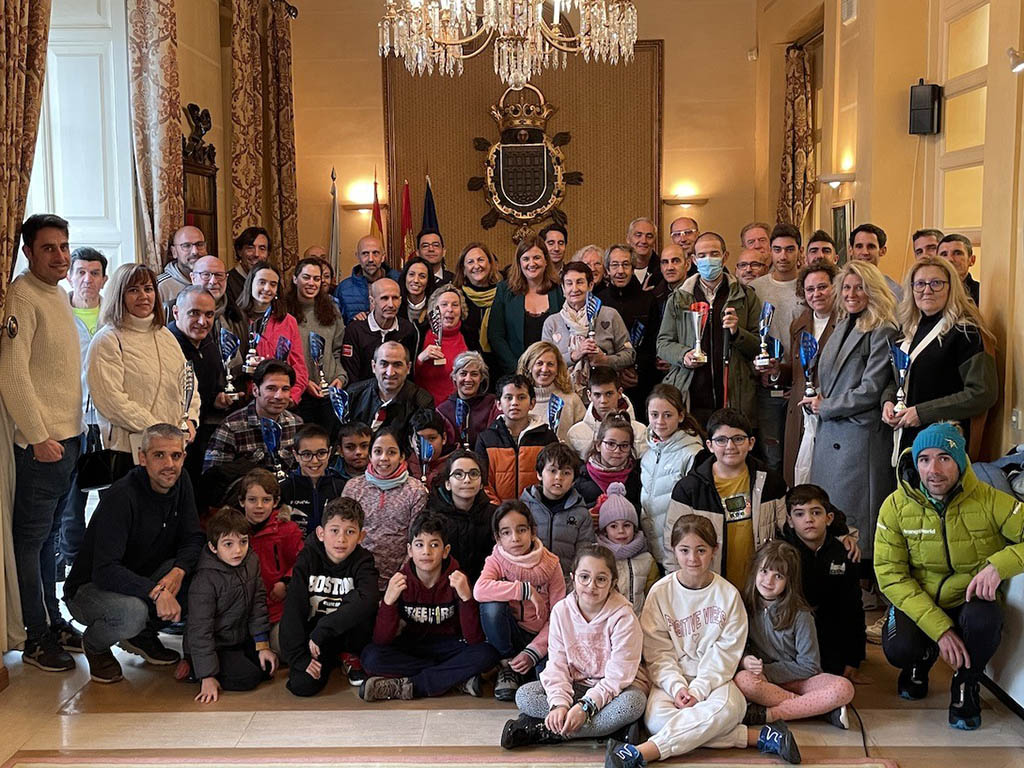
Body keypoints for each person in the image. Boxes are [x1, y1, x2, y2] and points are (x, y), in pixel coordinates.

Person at [605, 514, 800, 768]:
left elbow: (726, 654)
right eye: (684, 550)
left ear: (714, 551)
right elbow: (657, 652)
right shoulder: (660, 593)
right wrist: (677, 687)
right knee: (657, 721)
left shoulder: (728, 595)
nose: (693, 559)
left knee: (728, 711)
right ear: (674, 551)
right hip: (670, 681)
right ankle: (758, 736)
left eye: (701, 550)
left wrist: (698, 690)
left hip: (716, 682)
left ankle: (643, 753)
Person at [874, 423, 1024, 730]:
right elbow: (890, 574)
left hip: (969, 598)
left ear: (960, 460)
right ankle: (921, 659)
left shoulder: (990, 499)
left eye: (944, 458)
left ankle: (966, 682)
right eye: (924, 459)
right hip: (920, 598)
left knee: (986, 621)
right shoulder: (895, 507)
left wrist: (1000, 565)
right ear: (915, 463)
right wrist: (940, 631)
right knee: (898, 648)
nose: (934, 469)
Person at [1, 214, 86, 671]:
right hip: (43, 445)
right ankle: (34, 636)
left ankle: (53, 620)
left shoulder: (57, 295)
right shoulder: (22, 295)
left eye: (64, 246)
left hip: (68, 439)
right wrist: (37, 437)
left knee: (52, 538)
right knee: (31, 543)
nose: (60, 255)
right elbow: (13, 374)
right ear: (28, 252)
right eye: (49, 247)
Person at [64, 424, 205, 682]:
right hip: (90, 589)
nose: (169, 464)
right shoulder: (121, 496)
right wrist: (157, 592)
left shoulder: (181, 481)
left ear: (184, 457)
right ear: (142, 458)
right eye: (159, 455)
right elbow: (105, 570)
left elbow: (193, 537)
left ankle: (141, 634)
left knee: (200, 573)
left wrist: (178, 570)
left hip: (141, 577)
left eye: (176, 455)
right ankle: (95, 645)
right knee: (132, 613)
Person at [502, 544, 647, 748]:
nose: (591, 585)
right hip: (575, 686)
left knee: (634, 704)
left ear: (613, 582)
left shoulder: (623, 617)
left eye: (601, 579)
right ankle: (610, 731)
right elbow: (557, 664)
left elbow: (618, 676)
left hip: (614, 691)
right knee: (525, 695)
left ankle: (543, 731)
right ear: (573, 577)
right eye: (584, 577)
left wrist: (586, 707)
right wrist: (559, 704)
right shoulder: (562, 611)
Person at [803, 261, 897, 571]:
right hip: (832, 430)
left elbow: (871, 389)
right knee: (833, 511)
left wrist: (825, 406)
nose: (852, 293)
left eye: (859, 287)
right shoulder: (843, 323)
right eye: (846, 287)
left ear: (873, 290)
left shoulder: (882, 328)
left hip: (859, 436)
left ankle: (862, 581)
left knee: (857, 518)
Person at [359, 512, 498, 700]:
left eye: (434, 545)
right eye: (419, 545)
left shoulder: (457, 579)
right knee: (370, 657)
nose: (426, 552)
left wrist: (466, 599)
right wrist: (388, 602)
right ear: (409, 550)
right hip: (412, 648)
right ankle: (454, 679)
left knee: (486, 654)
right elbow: (382, 640)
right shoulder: (401, 580)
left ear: (445, 550)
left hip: (449, 647)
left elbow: (474, 639)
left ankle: (409, 687)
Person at [87, 263, 199, 473]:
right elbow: (111, 401)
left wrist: (191, 418)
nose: (143, 296)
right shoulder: (107, 340)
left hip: (170, 451)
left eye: (148, 289)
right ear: (119, 295)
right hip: (127, 453)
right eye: (133, 290)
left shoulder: (165, 335)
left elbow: (189, 383)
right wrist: (159, 430)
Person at [734, 540, 855, 729]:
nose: (768, 581)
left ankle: (770, 714)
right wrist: (745, 660)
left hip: (800, 680)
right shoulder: (742, 605)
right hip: (763, 681)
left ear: (788, 581)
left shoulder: (801, 614)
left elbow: (810, 666)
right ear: (755, 571)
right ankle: (816, 708)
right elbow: (734, 646)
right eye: (764, 571)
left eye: (778, 576)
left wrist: (768, 670)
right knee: (743, 681)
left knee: (844, 688)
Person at [883, 255, 997, 454]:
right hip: (907, 436)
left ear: (951, 288)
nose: (927, 290)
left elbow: (982, 393)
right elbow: (897, 377)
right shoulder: (907, 331)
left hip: (944, 442)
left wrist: (922, 413)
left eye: (936, 283)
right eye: (920, 284)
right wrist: (888, 400)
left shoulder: (965, 333)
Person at [663, 408, 787, 587]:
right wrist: (683, 591)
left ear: (751, 443)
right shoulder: (689, 489)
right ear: (709, 445)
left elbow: (788, 529)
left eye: (738, 439)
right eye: (721, 440)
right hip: (709, 589)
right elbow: (672, 548)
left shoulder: (771, 483)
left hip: (760, 588)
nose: (730, 447)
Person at [657, 232, 762, 428]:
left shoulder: (745, 296)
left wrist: (737, 333)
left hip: (734, 393)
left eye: (714, 254)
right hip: (691, 392)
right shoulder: (679, 298)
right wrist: (683, 355)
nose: (708, 260)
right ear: (694, 260)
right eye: (702, 255)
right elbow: (663, 344)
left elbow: (759, 345)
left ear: (725, 257)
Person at [280, 497, 379, 697]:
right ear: (321, 533)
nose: (341, 539)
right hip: (315, 641)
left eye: (350, 532)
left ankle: (350, 657)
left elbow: (367, 599)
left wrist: (324, 629)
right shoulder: (307, 558)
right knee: (302, 686)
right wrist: (300, 658)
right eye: (334, 530)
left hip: (345, 636)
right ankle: (329, 661)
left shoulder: (364, 561)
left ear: (361, 536)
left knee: (364, 604)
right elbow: (293, 609)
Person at [475, 500, 566, 702]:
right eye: (506, 533)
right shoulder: (496, 559)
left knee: (546, 684)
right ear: (498, 538)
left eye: (521, 530)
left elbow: (559, 617)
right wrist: (524, 590)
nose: (515, 538)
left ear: (532, 532)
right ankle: (507, 665)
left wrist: (533, 651)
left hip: (542, 638)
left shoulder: (551, 564)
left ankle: (526, 667)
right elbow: (479, 590)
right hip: (510, 634)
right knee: (491, 606)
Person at [186, 508, 277, 703]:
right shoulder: (205, 580)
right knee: (248, 678)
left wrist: (263, 646)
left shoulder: (251, 561)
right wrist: (207, 676)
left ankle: (213, 665)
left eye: (243, 542)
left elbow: (258, 605)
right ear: (213, 547)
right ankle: (195, 667)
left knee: (268, 669)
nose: (238, 550)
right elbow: (200, 630)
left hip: (239, 637)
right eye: (228, 544)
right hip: (216, 644)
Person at [58, 246, 108, 576]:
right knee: (70, 497)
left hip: (107, 419)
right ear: (70, 275)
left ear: (104, 279)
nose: (87, 279)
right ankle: (71, 557)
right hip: (68, 417)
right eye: (81, 272)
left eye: (94, 273)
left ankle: (104, 557)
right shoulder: (58, 313)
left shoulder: (113, 314)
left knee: (111, 493)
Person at [779, 485, 865, 679]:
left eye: (816, 512)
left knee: (835, 676)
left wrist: (854, 658)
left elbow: (854, 609)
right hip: (794, 641)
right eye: (799, 514)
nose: (808, 519)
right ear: (790, 522)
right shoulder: (783, 555)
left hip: (832, 638)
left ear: (829, 518)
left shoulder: (844, 553)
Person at [202, 360, 302, 504]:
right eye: (271, 388)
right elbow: (211, 483)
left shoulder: (296, 424)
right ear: (255, 390)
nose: (279, 396)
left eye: (285, 389)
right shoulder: (231, 427)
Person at [341, 426, 428, 591]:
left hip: (400, 578)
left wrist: (400, 578)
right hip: (356, 575)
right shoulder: (353, 487)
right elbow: (345, 534)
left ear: (402, 456)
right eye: (378, 451)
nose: (383, 458)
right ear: (370, 454)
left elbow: (415, 539)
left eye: (391, 452)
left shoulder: (415, 490)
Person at [751, 224, 805, 473]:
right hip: (767, 384)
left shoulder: (810, 286)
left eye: (789, 249)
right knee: (771, 455)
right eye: (777, 249)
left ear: (800, 251)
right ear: (769, 252)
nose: (783, 256)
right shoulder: (756, 289)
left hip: (802, 383)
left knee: (801, 454)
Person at [780, 261, 839, 486]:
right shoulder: (799, 324)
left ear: (835, 287)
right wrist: (776, 371)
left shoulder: (845, 323)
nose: (816, 294)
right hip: (799, 413)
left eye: (822, 287)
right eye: (810, 289)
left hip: (828, 411)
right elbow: (798, 374)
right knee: (798, 481)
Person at [544, 260, 635, 396]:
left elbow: (630, 355)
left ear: (590, 285)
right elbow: (544, 363)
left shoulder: (610, 315)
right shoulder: (552, 323)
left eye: (580, 282)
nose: (574, 289)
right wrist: (574, 356)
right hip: (565, 396)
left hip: (605, 395)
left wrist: (605, 360)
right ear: (563, 289)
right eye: (569, 283)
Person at [639, 384, 705, 570]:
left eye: (667, 415)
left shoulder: (693, 454)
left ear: (681, 416)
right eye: (654, 415)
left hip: (679, 552)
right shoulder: (647, 454)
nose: (660, 421)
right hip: (651, 548)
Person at [236, 469, 303, 651]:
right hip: (243, 610)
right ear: (241, 501)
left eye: (266, 500)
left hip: (277, 608)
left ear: (275, 502)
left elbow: (301, 562)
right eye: (252, 500)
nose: (259, 506)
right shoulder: (233, 532)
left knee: (282, 649)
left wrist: (285, 582)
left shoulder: (287, 530)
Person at [169, 286, 227, 489]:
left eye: (209, 314)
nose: (203, 322)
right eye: (194, 313)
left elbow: (209, 388)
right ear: (176, 312)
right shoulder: (167, 346)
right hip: (174, 438)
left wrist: (218, 397)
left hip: (201, 433)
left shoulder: (208, 341)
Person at [231, 260, 309, 405]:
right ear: (250, 284)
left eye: (273, 284)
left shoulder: (287, 321)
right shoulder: (234, 317)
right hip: (244, 399)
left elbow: (299, 366)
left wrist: (291, 396)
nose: (267, 288)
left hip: (280, 400)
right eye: (262, 282)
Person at [475, 373, 559, 504]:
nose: (515, 403)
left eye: (521, 397)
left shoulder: (547, 437)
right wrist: (499, 511)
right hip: (497, 513)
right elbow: (482, 481)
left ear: (532, 403)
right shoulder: (486, 439)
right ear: (498, 404)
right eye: (508, 398)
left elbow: (553, 478)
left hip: (539, 511)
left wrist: (540, 508)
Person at [488, 235, 564, 377]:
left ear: (546, 261)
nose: (531, 263)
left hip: (552, 373)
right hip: (515, 373)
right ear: (519, 262)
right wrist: (517, 369)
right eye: (526, 259)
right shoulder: (505, 291)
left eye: (536, 258)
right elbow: (495, 335)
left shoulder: (559, 290)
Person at [286, 257, 346, 431]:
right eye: (306, 277)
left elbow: (337, 351)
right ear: (295, 279)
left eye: (317, 279)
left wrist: (341, 377)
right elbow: (282, 354)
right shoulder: (284, 311)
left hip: (328, 393)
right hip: (298, 394)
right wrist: (303, 383)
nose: (311, 283)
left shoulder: (332, 310)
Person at [521, 442, 596, 581]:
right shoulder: (523, 508)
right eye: (552, 470)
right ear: (539, 474)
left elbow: (584, 555)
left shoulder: (581, 514)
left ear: (574, 480)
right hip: (529, 581)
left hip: (565, 582)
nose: (559, 477)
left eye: (566, 473)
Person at [425, 449, 495, 581]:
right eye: (458, 474)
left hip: (486, 586)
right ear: (447, 484)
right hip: (444, 586)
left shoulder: (494, 515)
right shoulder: (433, 516)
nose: (467, 480)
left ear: (481, 484)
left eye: (473, 474)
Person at [340, 278, 419, 385]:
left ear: (400, 301)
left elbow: (409, 374)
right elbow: (351, 377)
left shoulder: (408, 330)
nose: (391, 304)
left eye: (395, 298)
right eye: (384, 298)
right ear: (372, 301)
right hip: (363, 397)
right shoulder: (355, 330)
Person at [595, 246, 651, 394]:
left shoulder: (648, 301)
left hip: (639, 380)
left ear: (633, 269)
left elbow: (652, 343)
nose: (620, 271)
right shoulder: (598, 301)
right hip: (604, 380)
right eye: (615, 265)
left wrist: (636, 370)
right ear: (607, 270)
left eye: (626, 265)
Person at [347, 341, 434, 433]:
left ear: (408, 368)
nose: (390, 372)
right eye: (384, 364)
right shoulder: (354, 394)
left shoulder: (422, 402)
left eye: (397, 365)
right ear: (373, 366)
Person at [598, 485, 657, 615]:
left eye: (627, 525)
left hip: (640, 622)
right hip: (607, 625)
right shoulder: (597, 558)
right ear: (605, 530)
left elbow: (653, 596)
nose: (621, 531)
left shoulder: (647, 559)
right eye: (613, 526)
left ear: (634, 527)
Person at [279, 424, 346, 535]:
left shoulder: (341, 487)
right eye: (306, 454)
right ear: (296, 455)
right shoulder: (285, 489)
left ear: (329, 453)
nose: (314, 461)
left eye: (321, 453)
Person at [567, 366, 646, 459]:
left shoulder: (640, 431)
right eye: (597, 395)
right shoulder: (575, 433)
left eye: (609, 394)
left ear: (619, 393)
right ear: (589, 395)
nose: (603, 400)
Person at [516, 341, 586, 442]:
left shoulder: (571, 400)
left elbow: (583, 440)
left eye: (550, 364)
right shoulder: (518, 401)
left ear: (558, 369)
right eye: (539, 363)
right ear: (529, 367)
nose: (544, 369)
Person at [415, 284, 473, 405]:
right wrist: (420, 358)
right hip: (426, 407)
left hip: (459, 408)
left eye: (455, 305)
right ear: (434, 309)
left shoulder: (471, 336)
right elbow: (405, 373)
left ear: (461, 310)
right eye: (444, 305)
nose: (450, 309)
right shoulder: (418, 334)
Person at [576, 413, 643, 513]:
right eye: (611, 444)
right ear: (598, 445)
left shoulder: (637, 477)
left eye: (624, 445)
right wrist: (585, 516)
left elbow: (643, 510)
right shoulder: (581, 476)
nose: (617, 450)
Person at [453, 242, 502, 378]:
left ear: (490, 264)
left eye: (481, 260)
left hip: (500, 368)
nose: (476, 266)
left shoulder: (503, 293)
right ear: (463, 269)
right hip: (466, 371)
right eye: (470, 262)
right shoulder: (457, 296)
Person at [437, 351, 499, 450]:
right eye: (463, 374)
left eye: (474, 374)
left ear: (481, 378)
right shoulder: (443, 411)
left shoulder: (493, 405)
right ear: (454, 376)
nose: (468, 379)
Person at [334, 235, 401, 323]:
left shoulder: (398, 281)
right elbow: (336, 326)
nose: (370, 259)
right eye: (365, 253)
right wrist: (353, 322)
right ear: (357, 257)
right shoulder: (343, 289)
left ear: (383, 257)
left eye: (375, 253)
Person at [849, 223, 902, 300]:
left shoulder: (895, 292)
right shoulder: (838, 288)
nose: (865, 252)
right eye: (859, 246)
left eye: (871, 247)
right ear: (851, 250)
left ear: (882, 251)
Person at [159, 225, 208, 304]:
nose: (195, 252)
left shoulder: (213, 281)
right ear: (174, 252)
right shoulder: (161, 286)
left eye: (199, 245)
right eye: (186, 246)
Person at [407, 408, 454, 486]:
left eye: (432, 438)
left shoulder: (455, 465)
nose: (426, 445)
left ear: (444, 438)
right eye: (419, 439)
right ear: (411, 441)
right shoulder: (404, 467)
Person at [226, 226, 270, 308]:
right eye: (250, 248)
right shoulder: (227, 282)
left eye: (262, 248)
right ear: (239, 251)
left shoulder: (271, 281)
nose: (256, 254)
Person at [398, 256, 436, 339]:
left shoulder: (435, 308)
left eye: (422, 276)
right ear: (405, 277)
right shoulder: (396, 305)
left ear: (428, 281)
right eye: (411, 275)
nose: (416, 280)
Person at [937, 233, 980, 306]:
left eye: (957, 253)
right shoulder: (929, 292)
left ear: (972, 260)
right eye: (944, 254)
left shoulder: (982, 293)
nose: (949, 259)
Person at [626, 217, 660, 290]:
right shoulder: (618, 269)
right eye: (638, 235)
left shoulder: (663, 269)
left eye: (649, 236)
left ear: (654, 241)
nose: (644, 241)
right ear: (628, 238)